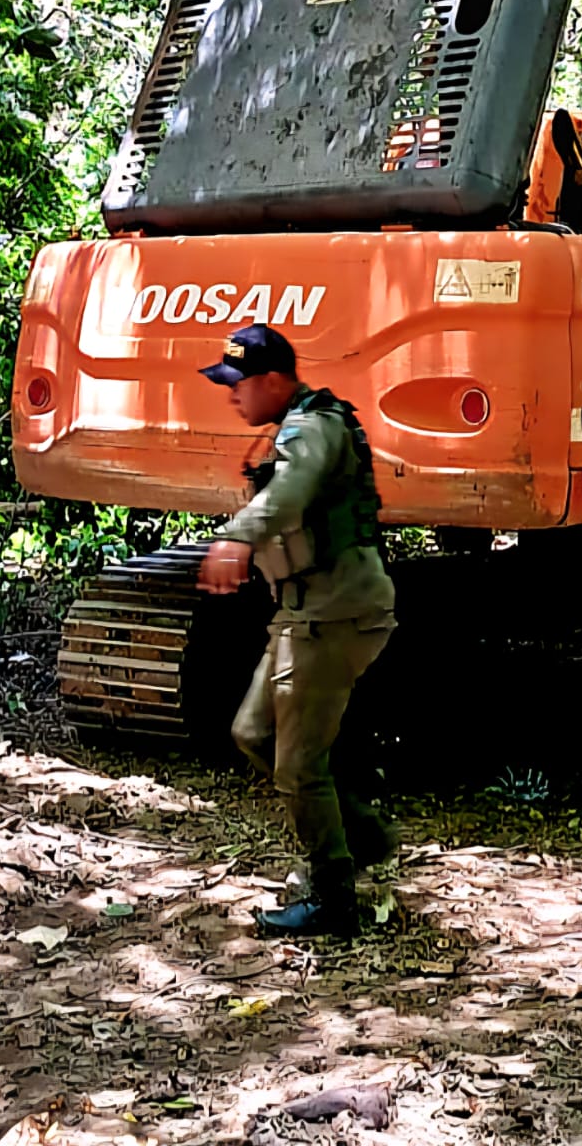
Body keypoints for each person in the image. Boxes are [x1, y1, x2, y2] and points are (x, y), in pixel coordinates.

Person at [197, 324, 397, 937]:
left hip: (336, 615)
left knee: (299, 766)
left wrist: (238, 537)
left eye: (240, 384)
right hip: (302, 612)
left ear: (276, 381)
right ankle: (364, 837)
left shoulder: (313, 429)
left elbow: (290, 492)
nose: (232, 396)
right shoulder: (296, 423)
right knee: (252, 732)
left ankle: (335, 899)